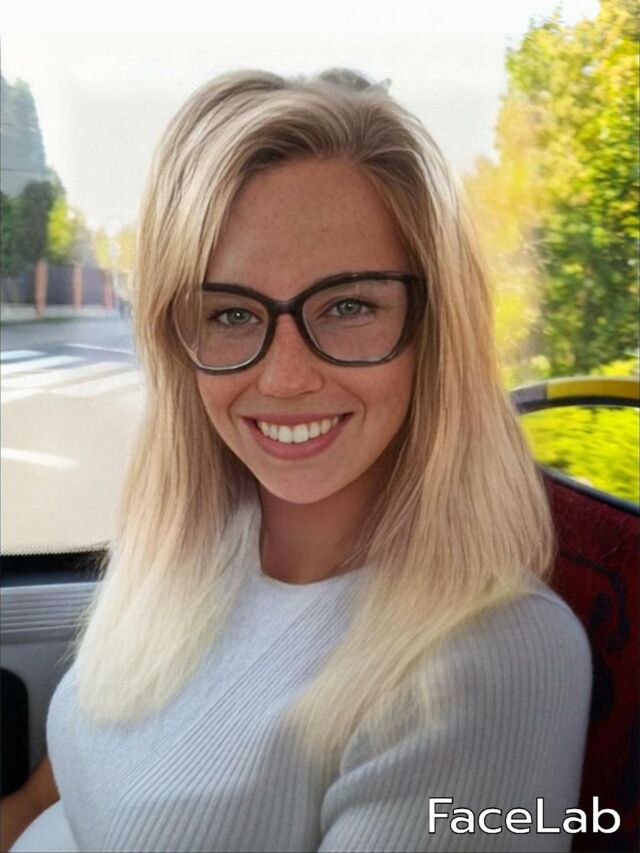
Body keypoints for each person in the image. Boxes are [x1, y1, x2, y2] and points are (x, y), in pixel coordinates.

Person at [3, 68, 592, 853]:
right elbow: (56, 788)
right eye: (230, 313)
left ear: (434, 329)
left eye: (349, 305)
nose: (283, 377)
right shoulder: (194, 543)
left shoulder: (489, 662)